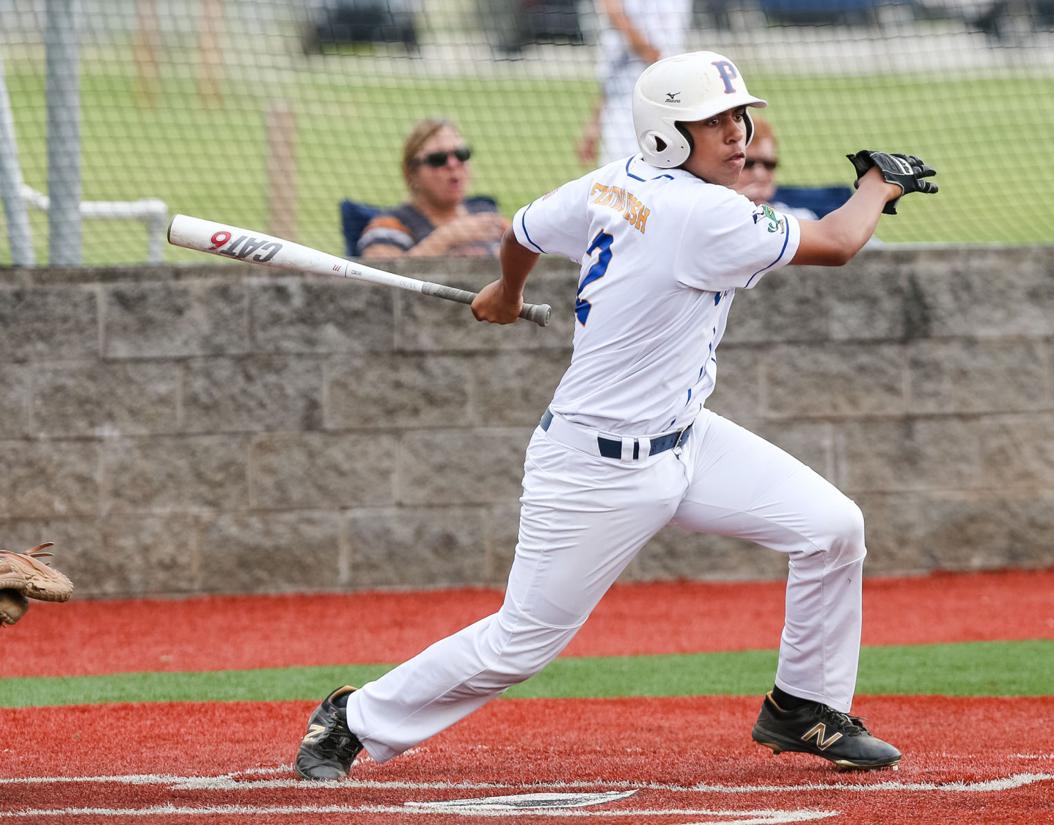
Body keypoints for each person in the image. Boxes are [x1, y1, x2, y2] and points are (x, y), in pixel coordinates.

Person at [295, 50, 937, 781]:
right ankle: (354, 716)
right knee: (520, 643)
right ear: (668, 134)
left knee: (831, 527)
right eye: (714, 122)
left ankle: (804, 707)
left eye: (738, 116)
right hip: (595, 465)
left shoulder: (614, 181)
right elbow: (839, 242)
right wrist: (878, 186)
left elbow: (527, 229)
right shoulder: (703, 212)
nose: (737, 134)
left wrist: (506, 292)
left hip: (686, 436)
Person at [356, 118, 509, 258]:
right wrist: (446, 238)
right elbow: (376, 281)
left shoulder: (487, 215)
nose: (453, 165)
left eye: (461, 154)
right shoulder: (389, 226)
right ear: (411, 173)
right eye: (438, 159)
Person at [577, 0, 692, 166]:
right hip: (624, 108)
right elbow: (614, 73)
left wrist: (616, 15)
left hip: (657, 104)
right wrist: (595, 123)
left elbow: (658, 56)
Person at [732, 116, 818, 221]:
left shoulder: (801, 218)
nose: (760, 174)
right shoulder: (711, 217)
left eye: (769, 164)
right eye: (748, 164)